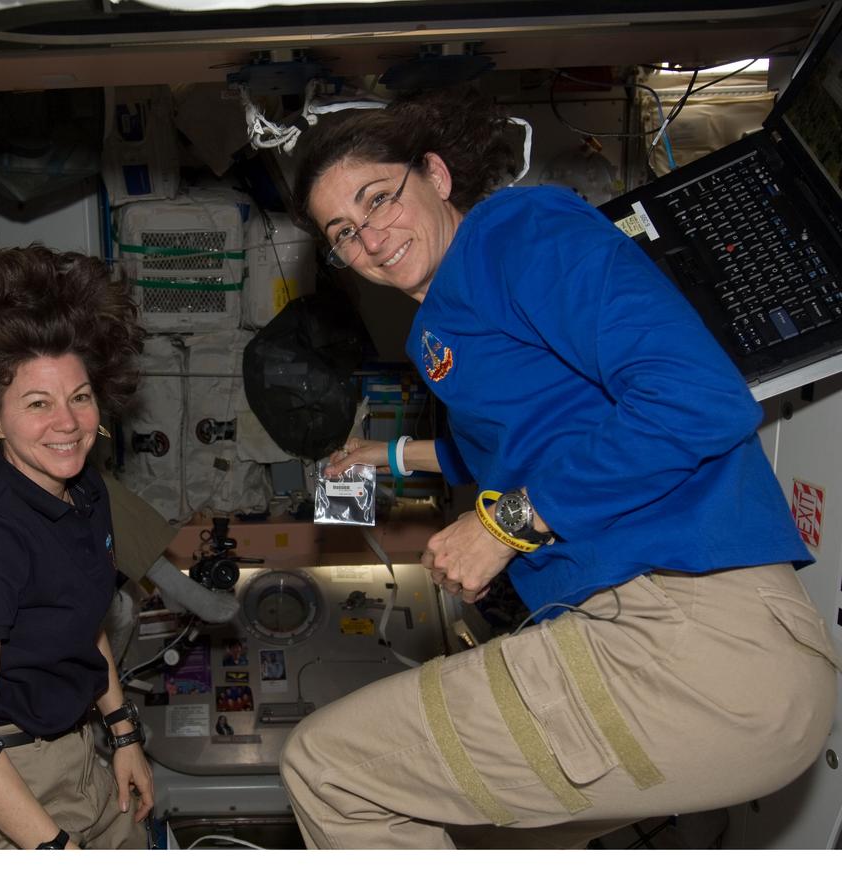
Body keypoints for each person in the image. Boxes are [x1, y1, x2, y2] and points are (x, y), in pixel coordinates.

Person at [279, 90, 841, 849]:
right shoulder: (439, 329)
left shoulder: (518, 232)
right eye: (343, 232)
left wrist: (505, 525)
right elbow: (527, 437)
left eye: (378, 199)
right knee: (461, 838)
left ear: (436, 175)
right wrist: (389, 455)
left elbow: (697, 400)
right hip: (656, 640)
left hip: (693, 641)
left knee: (328, 769)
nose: (370, 238)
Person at [0, 246, 152, 849]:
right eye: (37, 404)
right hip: (5, 782)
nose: (68, 423)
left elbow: (82, 617)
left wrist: (122, 733)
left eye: (80, 396)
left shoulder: (84, 487)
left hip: (81, 756)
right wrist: (55, 850)